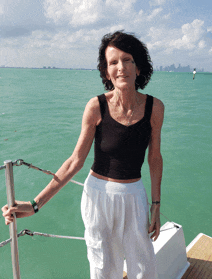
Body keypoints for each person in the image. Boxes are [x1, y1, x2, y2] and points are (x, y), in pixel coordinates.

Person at [2, 31, 164, 279]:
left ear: (138, 67)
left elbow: (154, 159)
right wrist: (35, 204)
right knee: (102, 269)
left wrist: (156, 206)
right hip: (98, 197)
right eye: (113, 62)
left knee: (144, 268)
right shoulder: (96, 106)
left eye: (127, 60)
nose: (121, 68)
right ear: (106, 72)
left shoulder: (155, 108)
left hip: (134, 198)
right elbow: (75, 161)